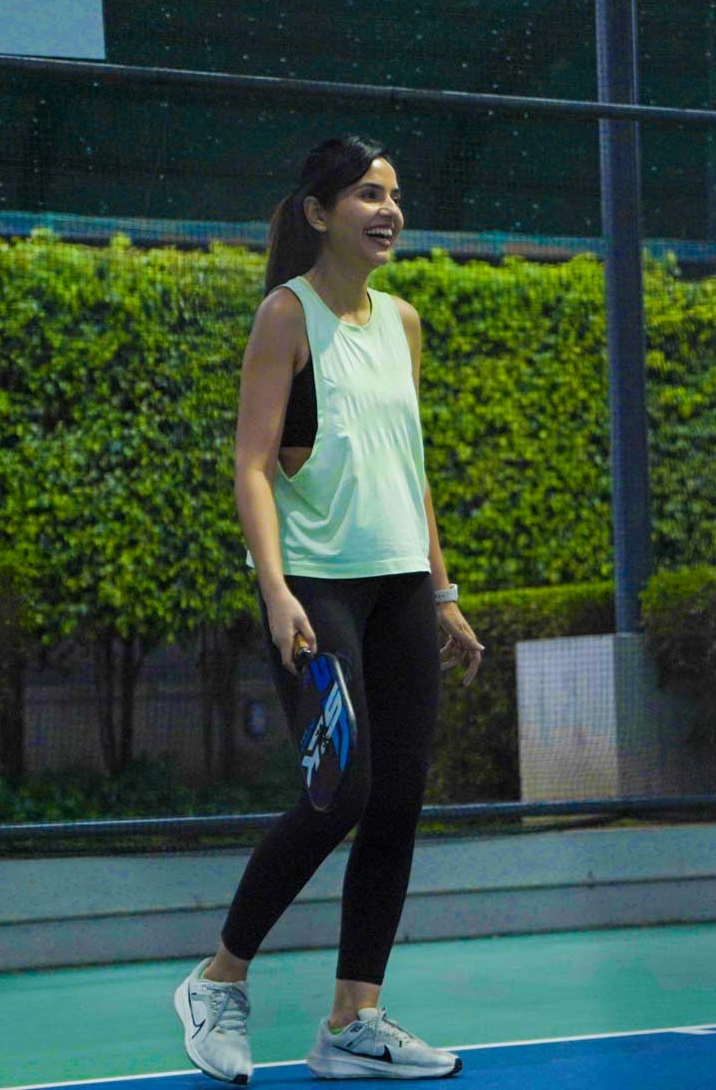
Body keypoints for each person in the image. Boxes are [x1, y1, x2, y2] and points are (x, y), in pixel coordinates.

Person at [173, 135, 484, 1084]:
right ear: (317, 212)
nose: (387, 210)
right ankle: (219, 980)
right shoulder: (286, 315)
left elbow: (410, 470)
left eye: (394, 194)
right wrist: (275, 590)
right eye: (365, 194)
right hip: (317, 589)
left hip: (399, 590)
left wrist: (443, 592)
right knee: (339, 792)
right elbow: (253, 464)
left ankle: (355, 1020)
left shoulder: (405, 322)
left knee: (396, 801)